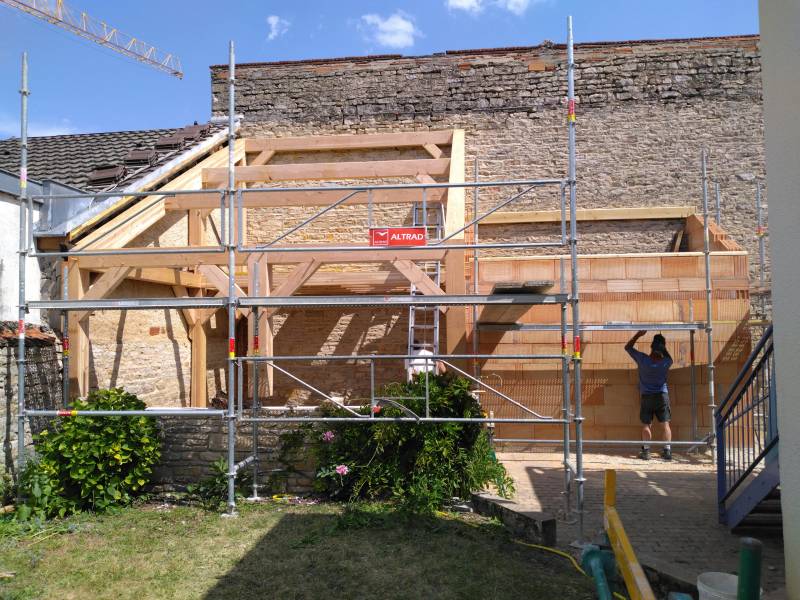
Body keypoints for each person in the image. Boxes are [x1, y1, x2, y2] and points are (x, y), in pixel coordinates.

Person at [625, 330, 673, 460]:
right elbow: (670, 358)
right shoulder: (666, 362)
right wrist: (663, 348)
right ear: (663, 348)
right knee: (665, 425)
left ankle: (646, 452)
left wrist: (638, 335)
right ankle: (667, 451)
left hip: (647, 396)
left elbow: (628, 347)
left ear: (651, 347)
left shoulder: (643, 359)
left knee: (646, 425)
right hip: (662, 396)